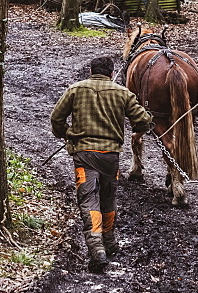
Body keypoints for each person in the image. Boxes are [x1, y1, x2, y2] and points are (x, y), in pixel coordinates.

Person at [50, 55, 153, 272]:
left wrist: (67, 134)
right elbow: (143, 120)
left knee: (89, 200)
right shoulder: (122, 93)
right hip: (110, 158)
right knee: (108, 198)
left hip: (84, 155)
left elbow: (56, 118)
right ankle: (110, 241)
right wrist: (137, 129)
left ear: (91, 71)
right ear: (110, 73)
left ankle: (96, 248)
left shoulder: (75, 90)